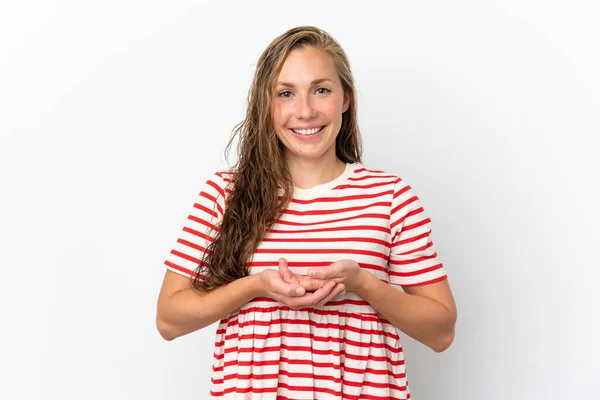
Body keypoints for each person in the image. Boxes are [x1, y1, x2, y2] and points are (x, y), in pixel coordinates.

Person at [156, 26, 457, 399]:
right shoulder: (225, 194)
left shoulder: (390, 197)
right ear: (266, 105)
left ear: (345, 98)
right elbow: (169, 319)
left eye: (321, 90)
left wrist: (362, 283)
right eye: (286, 94)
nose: (305, 111)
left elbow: (441, 331)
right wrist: (256, 285)